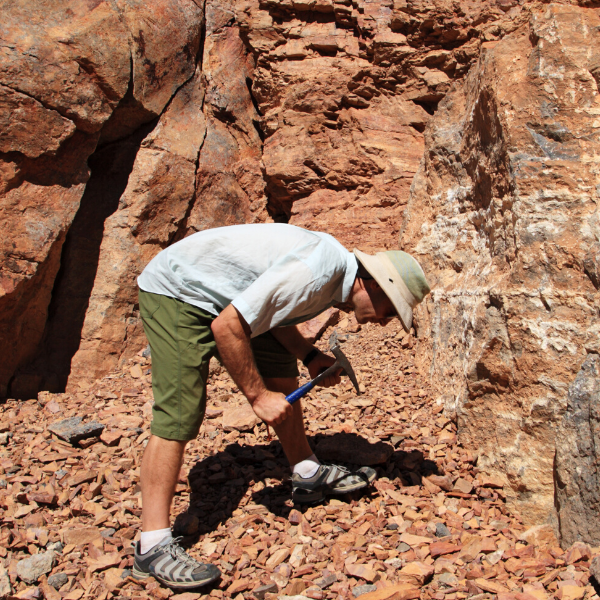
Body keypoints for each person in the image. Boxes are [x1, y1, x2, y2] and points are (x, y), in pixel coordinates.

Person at [129, 223, 431, 589]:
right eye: (390, 310)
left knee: (282, 373)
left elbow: (270, 310)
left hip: (229, 298)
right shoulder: (316, 273)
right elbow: (227, 327)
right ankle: (152, 546)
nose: (385, 321)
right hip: (180, 291)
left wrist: (308, 353)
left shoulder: (330, 282)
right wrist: (257, 396)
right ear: (372, 283)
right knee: (180, 413)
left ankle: (306, 472)